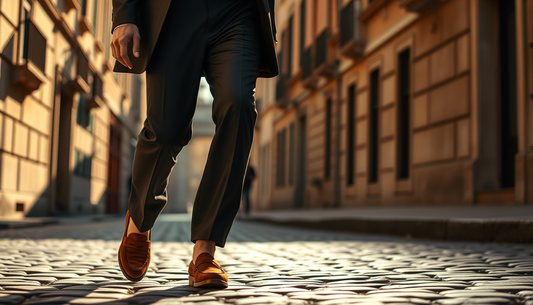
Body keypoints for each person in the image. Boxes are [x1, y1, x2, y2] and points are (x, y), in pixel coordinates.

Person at [110, 0, 278, 288]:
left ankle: (205, 251)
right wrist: (125, 16)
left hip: (238, 13)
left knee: (239, 107)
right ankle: (139, 219)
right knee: (167, 130)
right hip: (175, 11)